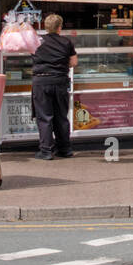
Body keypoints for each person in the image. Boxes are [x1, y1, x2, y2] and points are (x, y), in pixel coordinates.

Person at [31, 13, 77, 160]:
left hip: (41, 81)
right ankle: (65, 149)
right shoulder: (66, 42)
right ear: (59, 27)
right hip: (60, 81)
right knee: (61, 117)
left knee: (44, 117)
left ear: (46, 27)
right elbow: (74, 62)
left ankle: (46, 151)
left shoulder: (37, 41)